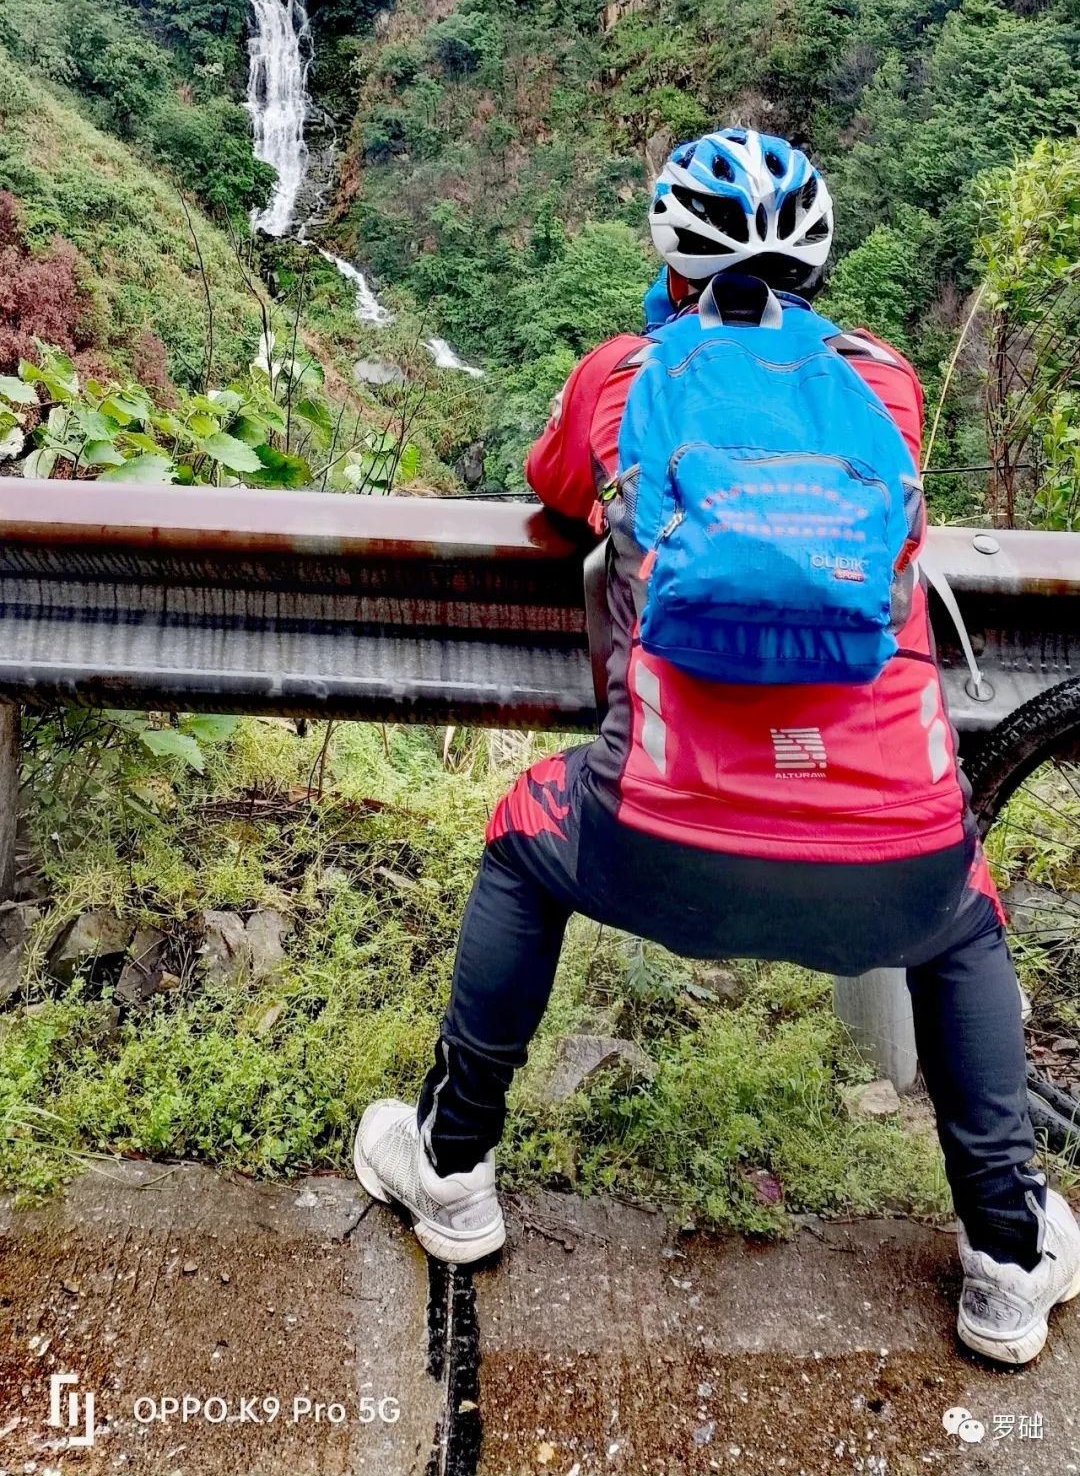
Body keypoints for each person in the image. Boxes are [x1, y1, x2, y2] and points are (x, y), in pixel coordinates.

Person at [355, 127, 1080, 1367]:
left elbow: (554, 490)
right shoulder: (888, 382)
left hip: (660, 840)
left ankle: (454, 1171)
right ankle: (1006, 1264)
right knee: (966, 914)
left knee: (523, 838)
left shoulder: (627, 375)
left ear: (669, 252)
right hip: (893, 861)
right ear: (818, 258)